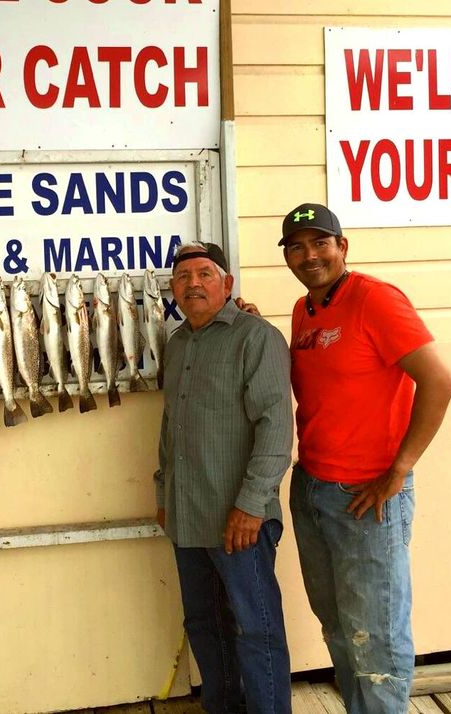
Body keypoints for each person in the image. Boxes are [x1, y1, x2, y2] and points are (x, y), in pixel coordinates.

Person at [280, 203, 451, 713]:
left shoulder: (375, 299)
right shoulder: (303, 310)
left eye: (320, 243)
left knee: (375, 637)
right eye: (297, 247)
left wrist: (399, 470)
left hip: (366, 497)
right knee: (338, 626)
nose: (310, 255)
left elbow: (440, 382)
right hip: (312, 488)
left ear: (342, 247)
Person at [154, 242, 294, 714]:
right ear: (173, 289)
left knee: (256, 629)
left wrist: (252, 505)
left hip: (240, 519)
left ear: (227, 284)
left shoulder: (257, 338)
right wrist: (164, 494)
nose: (193, 283)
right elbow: (170, 427)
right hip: (187, 515)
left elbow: (276, 427)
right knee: (204, 625)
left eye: (204, 274)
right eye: (183, 277)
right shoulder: (177, 343)